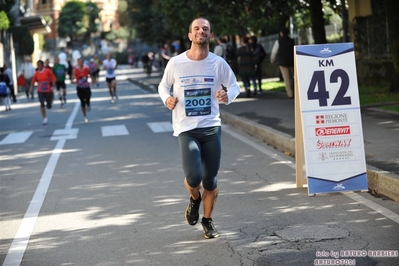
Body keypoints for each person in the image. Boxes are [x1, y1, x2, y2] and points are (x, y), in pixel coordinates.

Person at [158, 17, 240, 239]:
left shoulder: (217, 63)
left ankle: (207, 220)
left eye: (205, 29)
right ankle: (194, 198)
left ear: (210, 36)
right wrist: (167, 99)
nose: (201, 31)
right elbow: (163, 86)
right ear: (190, 35)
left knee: (210, 181)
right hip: (186, 128)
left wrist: (227, 95)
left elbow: (234, 86)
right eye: (197, 29)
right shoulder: (176, 63)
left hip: (211, 127)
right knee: (194, 178)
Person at [29, 60, 56, 125]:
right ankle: (44, 118)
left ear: (42, 65)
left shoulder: (47, 71)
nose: (39, 66)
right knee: (42, 104)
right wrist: (31, 88)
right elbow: (33, 81)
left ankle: (50, 102)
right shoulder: (36, 73)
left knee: (49, 106)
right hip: (40, 90)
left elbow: (53, 78)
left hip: (48, 90)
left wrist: (53, 85)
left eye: (40, 65)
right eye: (37, 65)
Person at [270, 28, 295, 98]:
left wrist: (272, 59)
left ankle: (290, 94)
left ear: (281, 33)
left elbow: (274, 51)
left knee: (286, 78)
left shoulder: (278, 41)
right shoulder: (291, 41)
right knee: (293, 77)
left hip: (283, 62)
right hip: (291, 61)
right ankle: (295, 91)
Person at [71, 57, 91, 122]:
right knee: (82, 101)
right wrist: (73, 81)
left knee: (88, 97)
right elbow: (72, 78)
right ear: (77, 62)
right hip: (79, 87)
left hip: (86, 86)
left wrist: (92, 80)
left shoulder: (86, 68)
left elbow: (90, 75)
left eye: (82, 61)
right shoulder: (75, 70)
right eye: (79, 62)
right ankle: (85, 116)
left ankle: (88, 104)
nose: (80, 63)